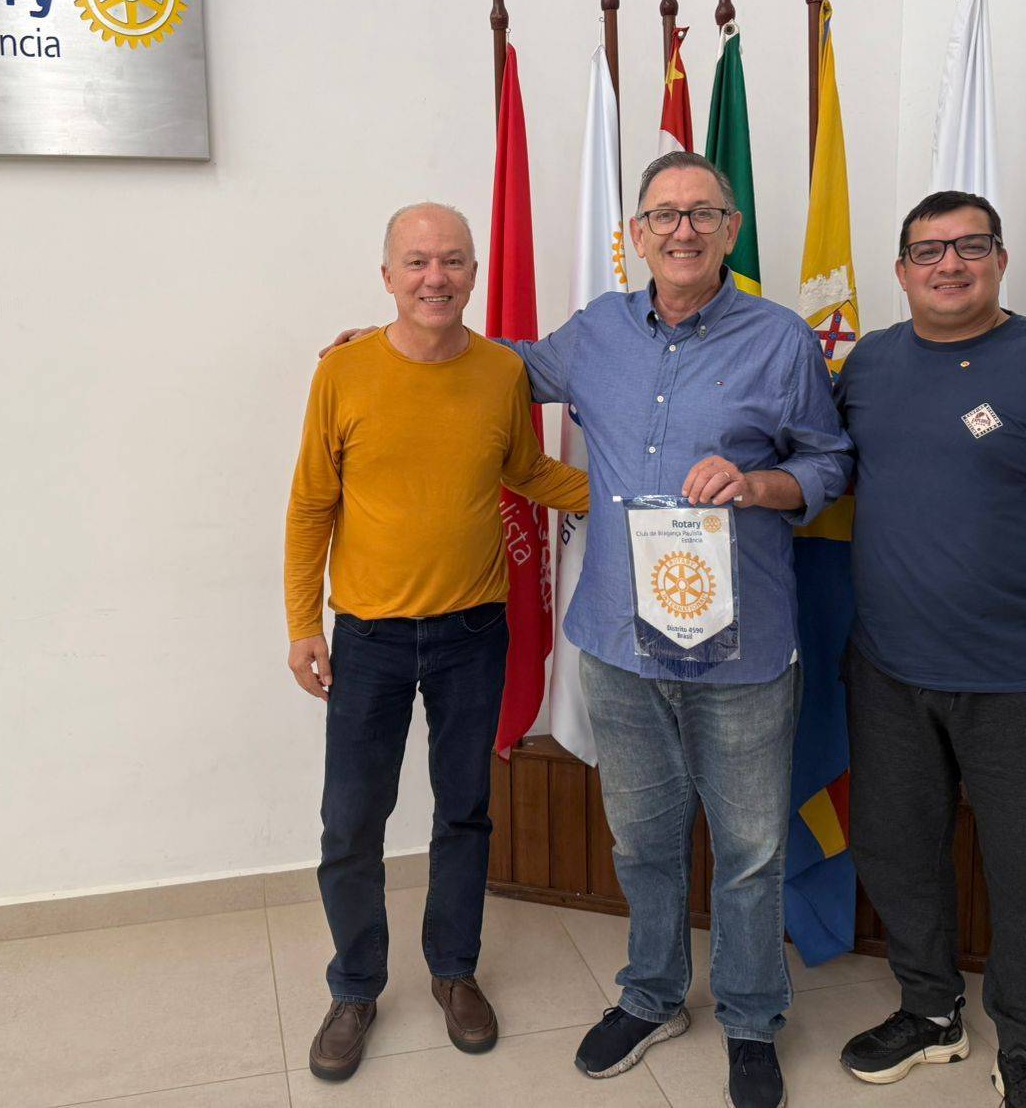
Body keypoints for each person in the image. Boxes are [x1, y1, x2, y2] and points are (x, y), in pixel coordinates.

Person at [496, 152, 850, 1108]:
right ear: (637, 236)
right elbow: (504, 370)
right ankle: (652, 995)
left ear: (731, 230)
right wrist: (402, 341)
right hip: (620, 642)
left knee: (750, 851)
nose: (682, 230)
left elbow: (829, 462)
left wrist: (761, 484)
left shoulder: (781, 340)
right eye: (663, 214)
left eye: (702, 213)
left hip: (743, 647)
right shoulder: (596, 332)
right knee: (643, 841)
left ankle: (751, 1018)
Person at [834, 191, 1026, 1108]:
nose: (950, 264)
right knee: (896, 854)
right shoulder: (869, 364)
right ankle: (931, 1012)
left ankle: (1024, 1049)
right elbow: (818, 465)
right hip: (888, 673)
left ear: (1001, 260)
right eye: (928, 250)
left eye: (970, 245)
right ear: (901, 271)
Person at [284, 201, 590, 1082]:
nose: (435, 277)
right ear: (387, 276)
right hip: (369, 638)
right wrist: (304, 623)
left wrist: (629, 497)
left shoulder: (500, 372)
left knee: (464, 811)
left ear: (474, 274)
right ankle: (355, 987)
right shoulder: (344, 373)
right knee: (352, 821)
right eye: (416, 262)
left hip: (472, 634)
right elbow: (311, 505)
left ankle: (454, 972)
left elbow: (525, 470)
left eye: (453, 261)